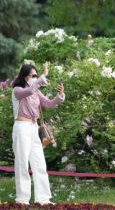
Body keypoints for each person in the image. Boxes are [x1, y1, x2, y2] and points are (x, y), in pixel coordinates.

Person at [12, 62, 65, 205]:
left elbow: (48, 103)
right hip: (21, 127)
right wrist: (44, 76)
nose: (36, 78)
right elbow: (28, 91)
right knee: (22, 163)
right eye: (33, 75)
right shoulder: (17, 90)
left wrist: (60, 96)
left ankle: (43, 199)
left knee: (39, 163)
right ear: (24, 77)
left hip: (34, 128)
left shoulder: (36, 90)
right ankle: (22, 200)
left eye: (36, 75)